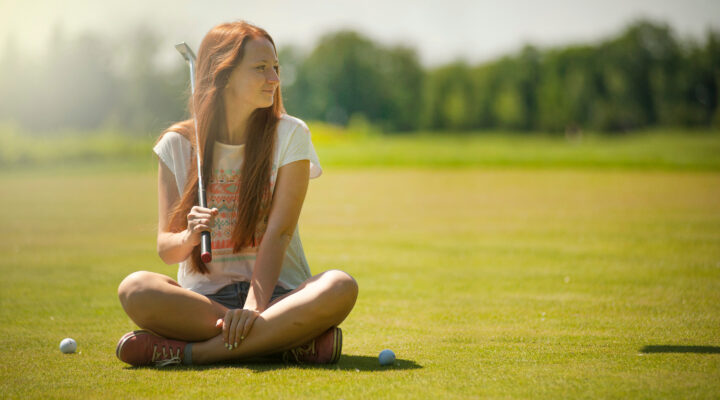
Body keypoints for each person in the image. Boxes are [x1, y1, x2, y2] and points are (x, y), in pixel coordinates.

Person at [115, 21, 358, 367]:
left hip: (277, 297)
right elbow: (166, 249)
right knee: (135, 289)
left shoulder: (291, 134)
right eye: (260, 68)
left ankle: (189, 353)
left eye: (275, 68)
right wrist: (189, 234)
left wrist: (253, 310)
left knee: (340, 286)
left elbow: (279, 233)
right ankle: (284, 343)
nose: (274, 79)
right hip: (205, 303)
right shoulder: (177, 144)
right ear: (223, 75)